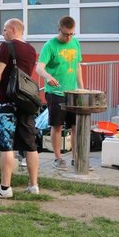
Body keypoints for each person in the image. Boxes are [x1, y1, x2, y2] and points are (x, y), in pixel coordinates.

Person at [0, 19, 41, 198]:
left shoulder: (6, 46)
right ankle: (34, 185)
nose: (3, 33)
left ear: (14, 29)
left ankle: (5, 188)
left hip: (8, 101)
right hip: (26, 101)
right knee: (30, 145)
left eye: (5, 30)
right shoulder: (31, 49)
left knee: (6, 145)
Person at [36, 16, 83, 169]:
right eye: (65, 34)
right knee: (57, 126)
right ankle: (58, 158)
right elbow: (39, 68)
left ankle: (76, 158)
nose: (68, 37)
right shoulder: (50, 46)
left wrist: (81, 88)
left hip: (73, 92)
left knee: (75, 126)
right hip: (55, 92)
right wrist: (48, 77)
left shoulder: (75, 43)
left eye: (71, 34)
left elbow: (78, 66)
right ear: (59, 30)